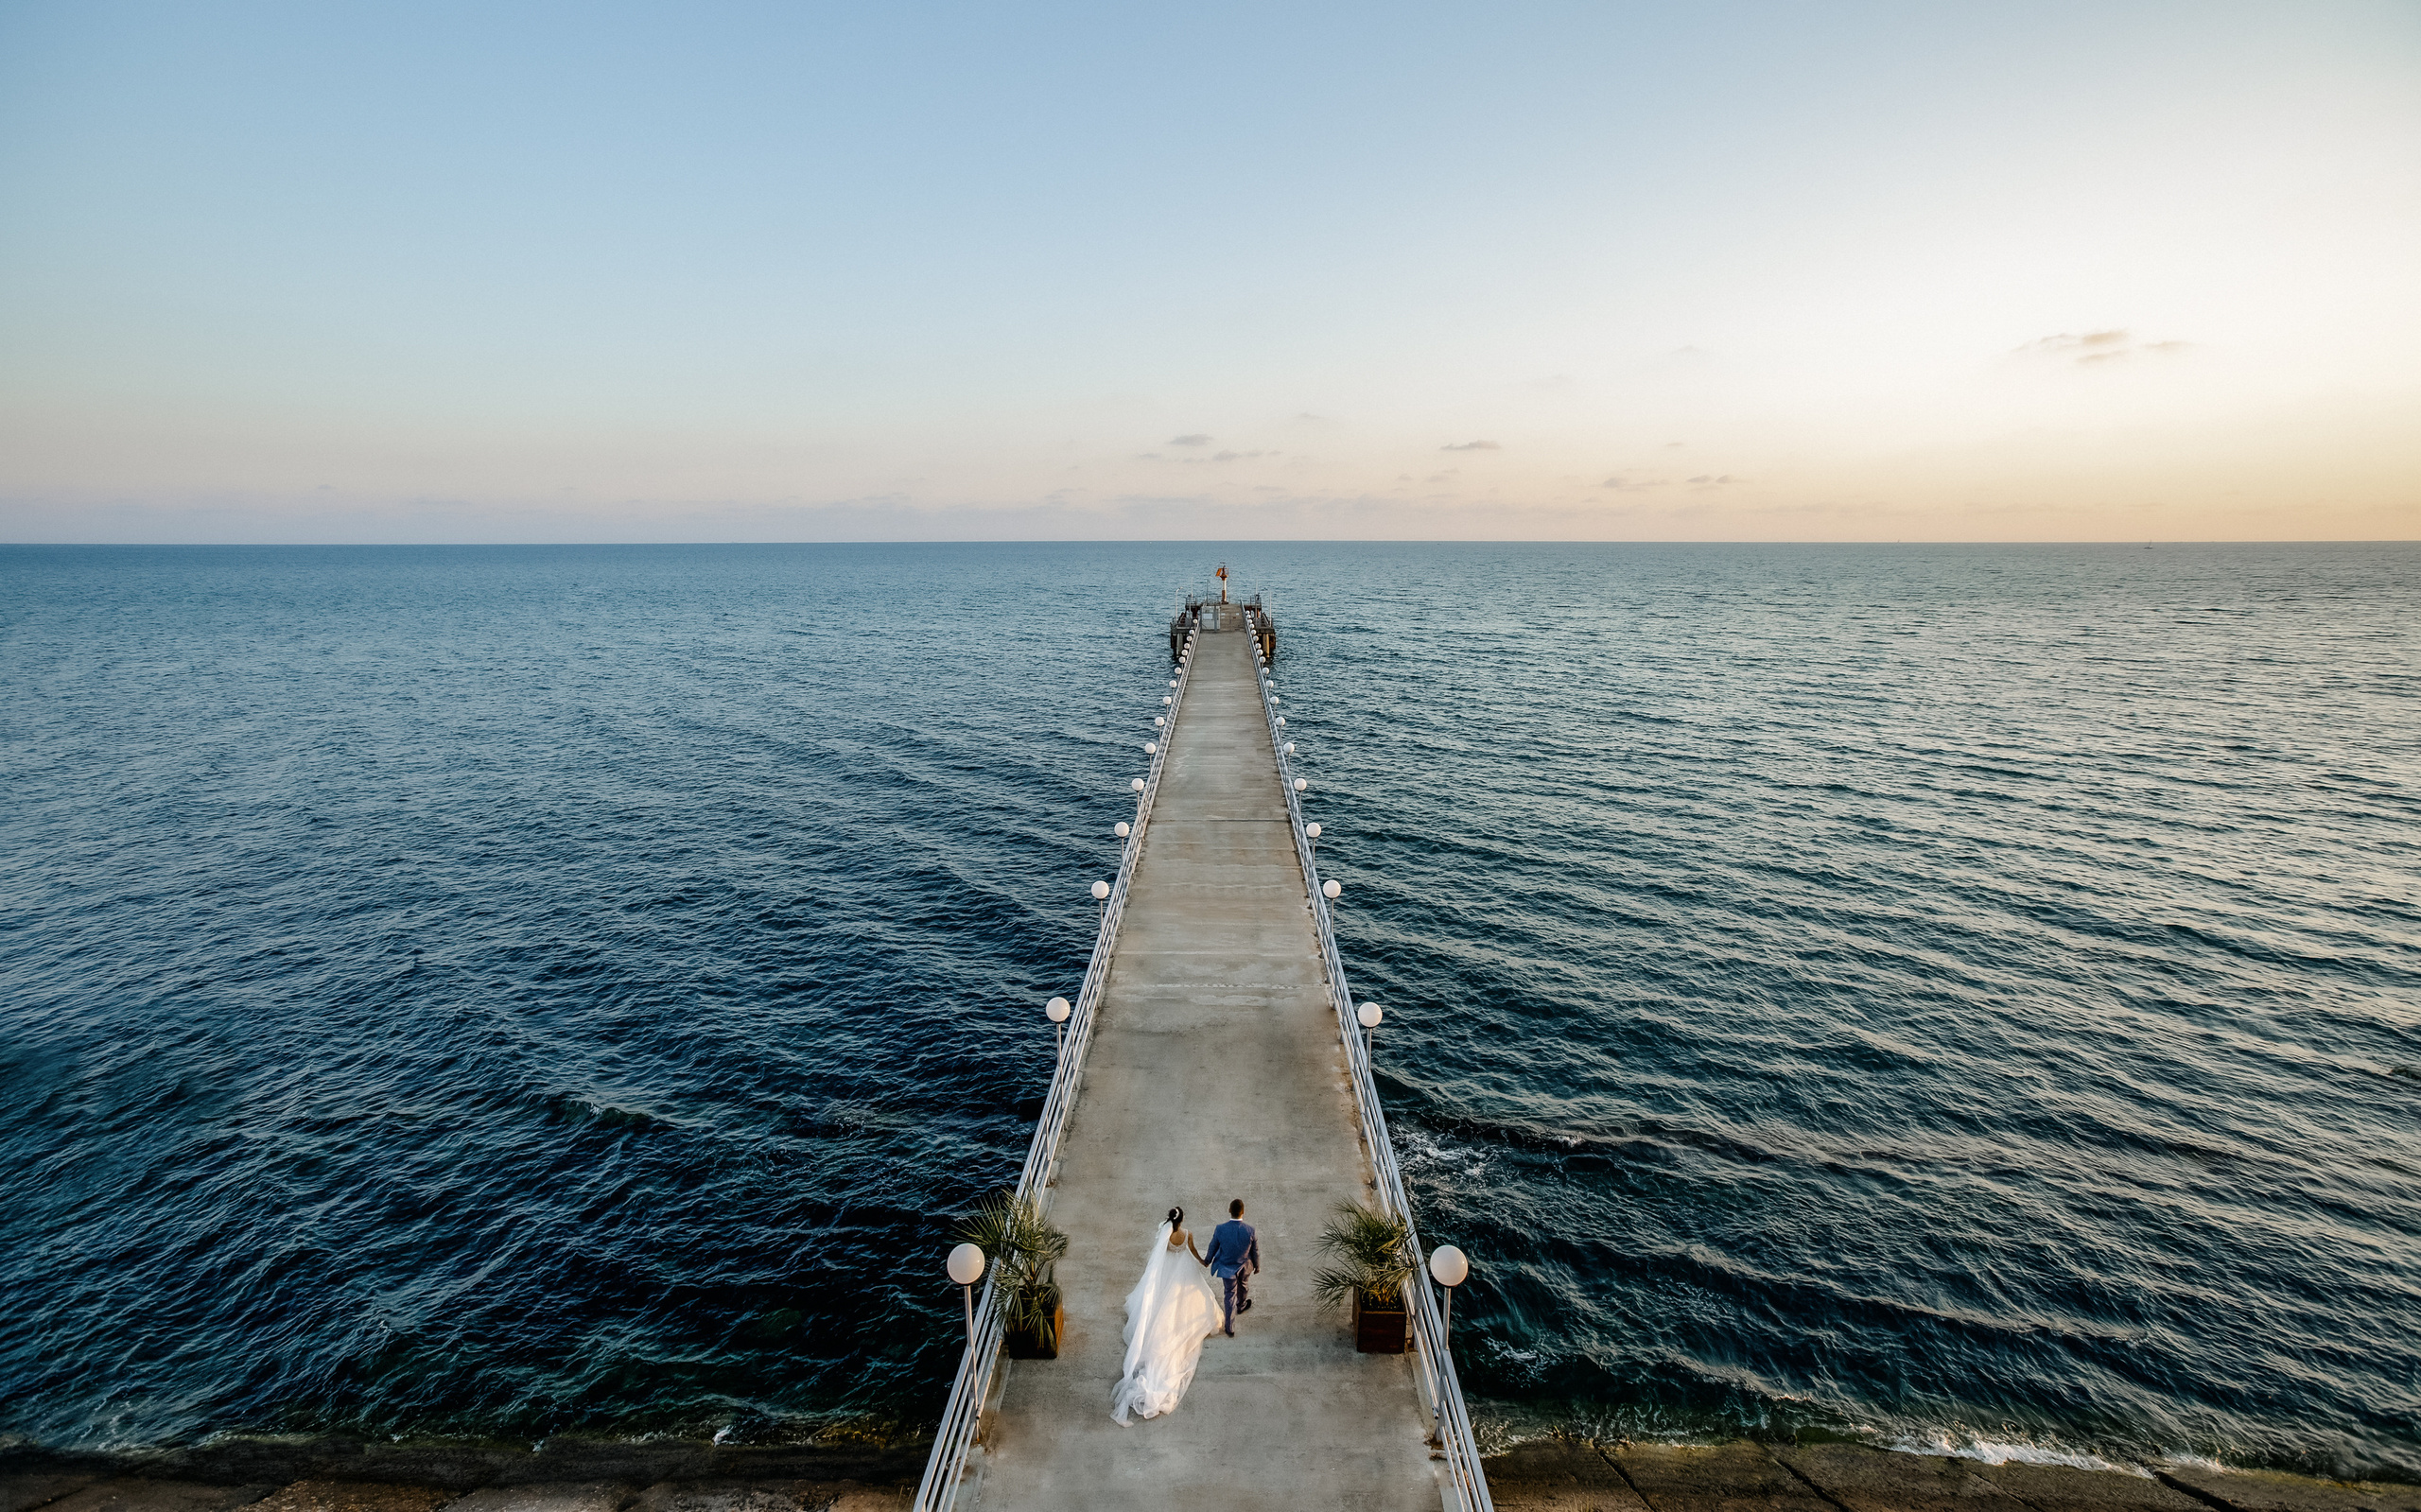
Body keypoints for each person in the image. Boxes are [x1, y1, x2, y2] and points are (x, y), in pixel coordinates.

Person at [1109, 1205, 1224, 1424]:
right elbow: (1192, 1252)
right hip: (1182, 1270)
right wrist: (1203, 1262)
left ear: (1169, 1219)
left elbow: (1157, 1256)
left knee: (1161, 1304)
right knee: (1190, 1298)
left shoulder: (1164, 1231)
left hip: (1167, 1271)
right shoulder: (1187, 1234)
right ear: (1182, 1220)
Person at [1202, 1197, 1261, 1337]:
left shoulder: (1220, 1229)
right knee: (1244, 1286)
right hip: (1245, 1266)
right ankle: (1241, 1305)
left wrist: (1207, 1260)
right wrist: (1257, 1266)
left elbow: (1213, 1246)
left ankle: (1230, 1327)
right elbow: (1255, 1251)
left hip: (1227, 1268)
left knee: (1229, 1295)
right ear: (1243, 1212)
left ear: (1229, 1210)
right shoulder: (1250, 1230)